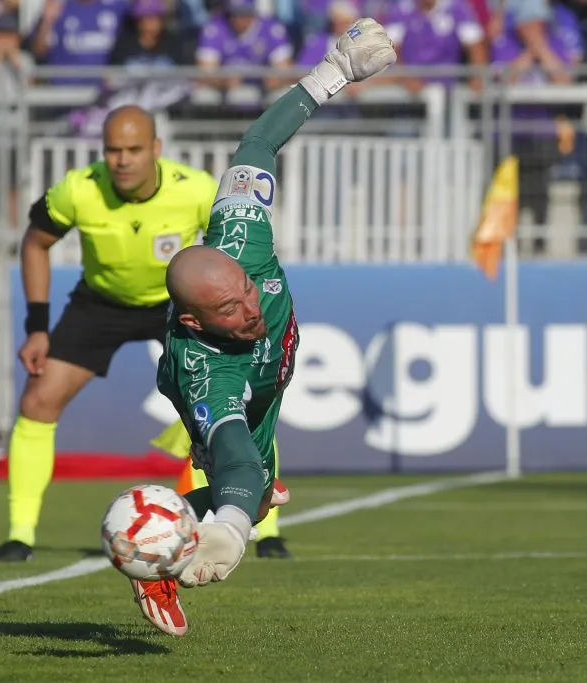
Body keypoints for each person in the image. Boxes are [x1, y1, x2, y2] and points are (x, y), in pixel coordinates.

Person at [127, 17, 396, 637]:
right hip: (228, 382)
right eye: (229, 310)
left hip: (267, 377)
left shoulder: (240, 235)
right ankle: (156, 546)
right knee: (242, 476)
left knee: (259, 487)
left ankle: (152, 542)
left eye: (247, 291)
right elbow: (236, 458)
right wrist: (227, 535)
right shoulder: (202, 370)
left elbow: (256, 147)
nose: (249, 309)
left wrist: (333, 73)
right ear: (195, 319)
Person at [0, 105, 276, 562]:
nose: (122, 160)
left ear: (156, 150)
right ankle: (19, 534)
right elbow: (35, 242)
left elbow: (233, 252)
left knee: (238, 397)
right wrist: (37, 328)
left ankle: (265, 527)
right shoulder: (78, 190)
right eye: (112, 150)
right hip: (100, 304)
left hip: (178, 309)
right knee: (38, 400)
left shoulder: (197, 189)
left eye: (133, 150)